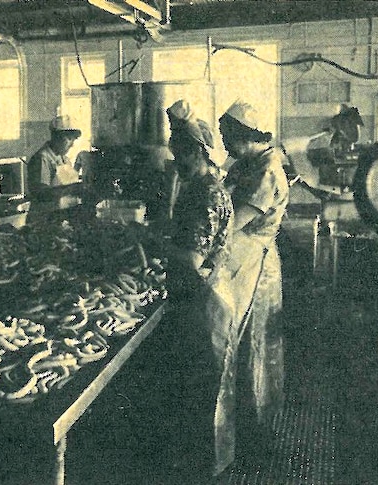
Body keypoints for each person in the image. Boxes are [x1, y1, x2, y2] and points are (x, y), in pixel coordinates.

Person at [160, 100, 236, 478]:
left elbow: (190, 259)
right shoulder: (207, 186)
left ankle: (200, 471)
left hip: (204, 301)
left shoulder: (204, 194)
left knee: (202, 389)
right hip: (205, 295)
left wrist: (151, 240)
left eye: (182, 156)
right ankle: (206, 464)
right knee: (206, 389)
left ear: (199, 153)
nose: (177, 164)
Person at [217, 100, 289, 465]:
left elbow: (232, 221)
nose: (225, 144)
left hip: (254, 266)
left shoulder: (267, 172)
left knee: (254, 348)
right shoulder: (247, 164)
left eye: (229, 137)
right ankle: (245, 426)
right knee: (243, 347)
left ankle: (257, 435)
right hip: (240, 262)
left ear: (247, 137)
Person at [27, 115, 82, 197]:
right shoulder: (42, 158)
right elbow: (41, 193)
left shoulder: (65, 159)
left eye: (74, 139)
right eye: (69, 139)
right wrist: (70, 189)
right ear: (56, 136)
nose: (72, 145)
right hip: (48, 209)